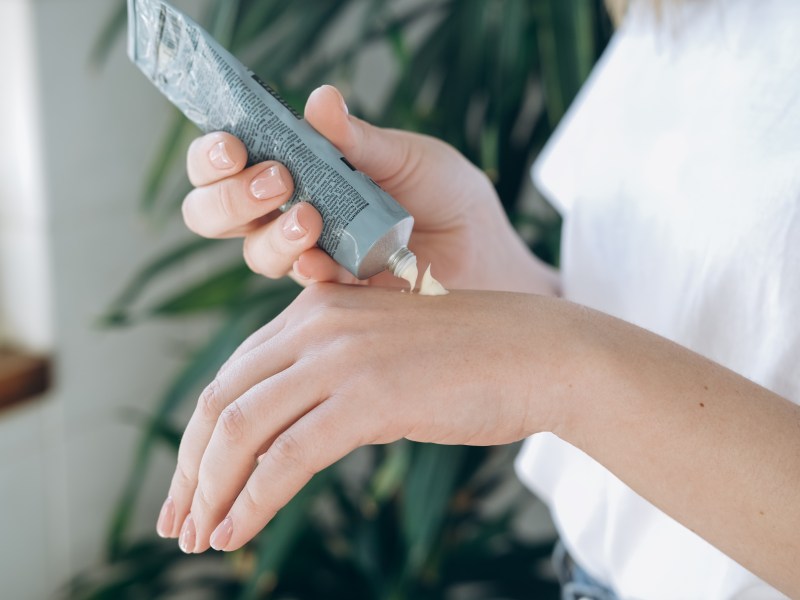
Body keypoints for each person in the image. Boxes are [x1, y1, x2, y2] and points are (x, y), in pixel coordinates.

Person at [152, 0, 800, 597]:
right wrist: (499, 284)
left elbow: (577, 362)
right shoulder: (686, 14)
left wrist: (551, 363)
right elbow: (702, 325)